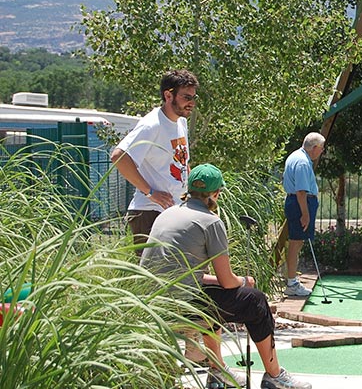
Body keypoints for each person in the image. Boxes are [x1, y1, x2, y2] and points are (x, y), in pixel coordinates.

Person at [140, 163, 312, 389]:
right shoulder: (210, 221)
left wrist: (234, 282)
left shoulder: (168, 213)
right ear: (216, 193)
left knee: (212, 299)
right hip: (183, 305)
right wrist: (244, 281)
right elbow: (227, 281)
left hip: (152, 302)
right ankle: (275, 376)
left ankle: (218, 371)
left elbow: (188, 276)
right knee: (256, 301)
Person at [112, 69, 197, 255]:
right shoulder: (152, 124)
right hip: (150, 213)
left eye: (193, 97)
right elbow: (119, 156)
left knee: (181, 274)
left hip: (175, 210)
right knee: (155, 278)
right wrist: (150, 192)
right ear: (168, 95)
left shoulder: (181, 122)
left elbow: (183, 162)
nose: (191, 102)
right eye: (186, 97)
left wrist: (194, 194)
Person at [283, 132, 326, 297]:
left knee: (297, 242)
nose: (321, 152)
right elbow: (301, 191)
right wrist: (305, 214)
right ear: (314, 148)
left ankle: (292, 281)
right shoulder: (302, 162)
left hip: (299, 202)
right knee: (296, 242)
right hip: (300, 204)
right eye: (321, 148)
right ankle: (292, 283)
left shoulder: (297, 156)